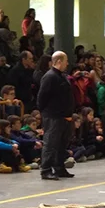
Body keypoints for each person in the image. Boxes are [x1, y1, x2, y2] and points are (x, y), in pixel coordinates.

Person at [36, 52, 75, 181]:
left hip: (64, 116)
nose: (67, 63)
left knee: (61, 144)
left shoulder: (62, 76)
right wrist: (47, 112)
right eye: (65, 61)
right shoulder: (50, 77)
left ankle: (59, 167)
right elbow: (42, 98)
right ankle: (46, 170)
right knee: (50, 144)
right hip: (53, 116)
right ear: (59, 61)